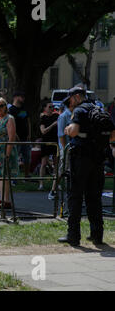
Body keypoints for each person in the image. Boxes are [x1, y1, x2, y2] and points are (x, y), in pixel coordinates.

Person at [58, 86, 115, 246]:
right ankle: (97, 235)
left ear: (76, 97)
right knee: (94, 197)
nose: (70, 104)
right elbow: (112, 135)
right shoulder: (99, 108)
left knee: (75, 196)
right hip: (98, 159)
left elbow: (75, 131)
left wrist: (69, 130)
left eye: (70, 100)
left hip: (81, 158)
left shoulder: (80, 110)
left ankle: (73, 236)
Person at [8, 91, 31, 180]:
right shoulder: (11, 110)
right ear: (16, 97)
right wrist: (15, 135)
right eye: (22, 97)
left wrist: (29, 133)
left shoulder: (24, 109)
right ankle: (13, 177)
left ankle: (27, 176)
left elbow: (28, 121)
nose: (23, 99)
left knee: (27, 157)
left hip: (26, 138)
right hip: (16, 139)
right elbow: (10, 124)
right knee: (14, 159)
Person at [39, 100, 59, 200]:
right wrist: (53, 125)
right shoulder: (43, 118)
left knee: (56, 164)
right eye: (50, 107)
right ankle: (41, 184)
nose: (52, 108)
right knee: (43, 163)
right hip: (46, 142)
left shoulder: (56, 116)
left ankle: (56, 184)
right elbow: (43, 131)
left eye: (53, 107)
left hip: (55, 142)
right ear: (45, 108)